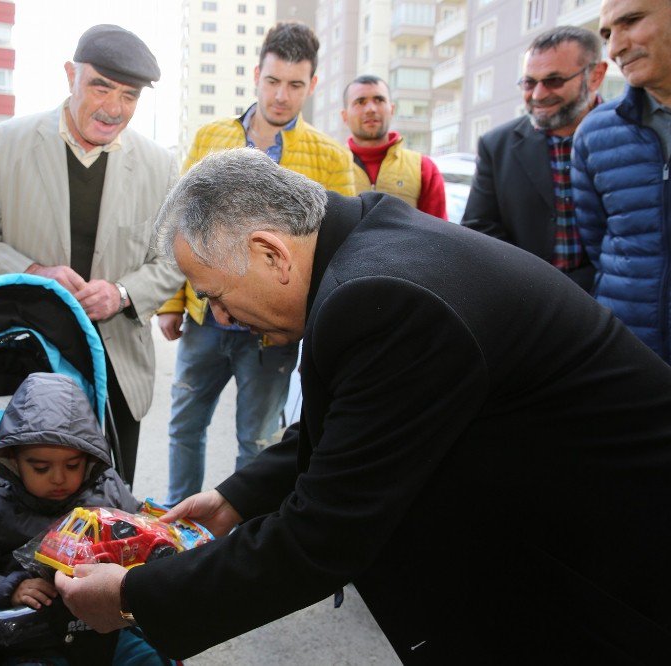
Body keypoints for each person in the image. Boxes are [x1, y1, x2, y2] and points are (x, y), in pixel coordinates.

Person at [52, 148, 671, 665]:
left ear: (271, 254)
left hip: (615, 568)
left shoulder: (384, 297)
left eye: (215, 294)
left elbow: (322, 535)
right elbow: (356, 419)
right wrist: (236, 498)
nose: (220, 317)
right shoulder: (367, 248)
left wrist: (134, 595)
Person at [0, 25, 182, 485]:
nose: (114, 109)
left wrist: (122, 293)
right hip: (26, 360)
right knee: (24, 503)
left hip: (115, 370)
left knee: (108, 509)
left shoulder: (160, 165)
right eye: (101, 87)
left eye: (129, 96)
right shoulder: (4, 144)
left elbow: (175, 259)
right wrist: (33, 273)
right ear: (69, 74)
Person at [157, 21, 353, 505]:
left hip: (273, 325)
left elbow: (340, 246)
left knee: (258, 438)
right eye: (272, 81)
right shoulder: (210, 138)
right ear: (255, 75)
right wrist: (171, 300)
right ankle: (173, 524)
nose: (281, 95)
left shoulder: (328, 155)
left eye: (294, 84)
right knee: (185, 425)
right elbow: (180, 221)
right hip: (205, 320)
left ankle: (240, 522)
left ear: (313, 85)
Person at [0, 372, 165, 665]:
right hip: (26, 637)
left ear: (89, 459)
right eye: (41, 468)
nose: (58, 478)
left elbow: (139, 535)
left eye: (72, 464)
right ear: (12, 460)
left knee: (150, 658)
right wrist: (5, 589)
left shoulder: (108, 489)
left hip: (105, 627)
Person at [465, 26, 606, 292]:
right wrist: (533, 287)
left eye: (554, 81)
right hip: (532, 302)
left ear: (595, 76)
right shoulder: (496, 146)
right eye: (529, 82)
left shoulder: (632, 135)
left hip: (615, 305)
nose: (538, 95)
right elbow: (479, 231)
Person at [573, 0, 671, 362]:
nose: (615, 48)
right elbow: (599, 241)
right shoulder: (595, 133)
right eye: (607, 34)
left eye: (630, 21)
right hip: (631, 357)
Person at [342, 74, 446, 219]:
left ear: (392, 109)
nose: (371, 109)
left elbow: (439, 232)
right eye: (360, 102)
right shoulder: (331, 165)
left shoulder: (423, 168)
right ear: (344, 116)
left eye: (379, 100)